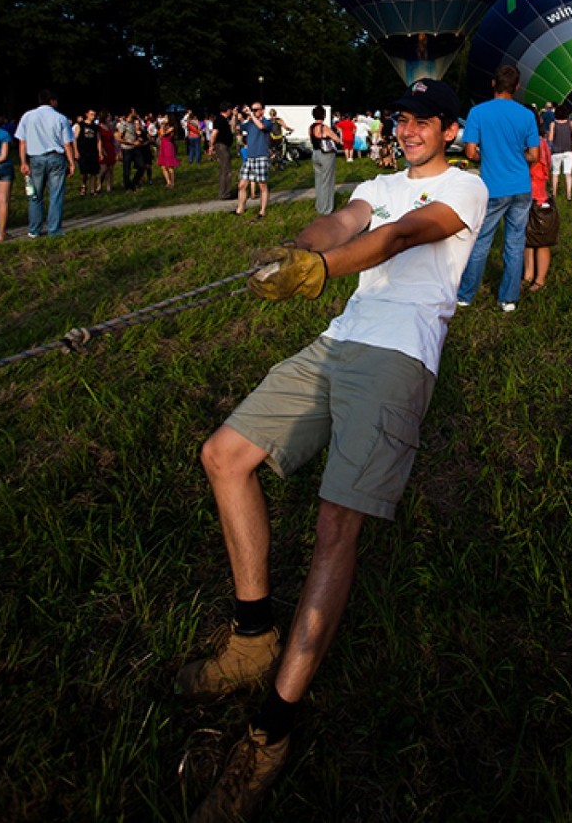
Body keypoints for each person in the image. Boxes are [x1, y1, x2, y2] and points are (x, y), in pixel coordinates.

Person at [179, 79, 486, 823]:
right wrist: (294, 252)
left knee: (333, 528)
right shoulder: (376, 181)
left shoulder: (465, 187)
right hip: (338, 340)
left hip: (397, 356)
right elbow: (340, 222)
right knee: (223, 453)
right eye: (401, 118)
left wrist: (324, 270)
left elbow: (404, 235)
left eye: (422, 119)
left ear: (448, 126)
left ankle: (272, 731)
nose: (408, 129)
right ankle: (253, 634)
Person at [456, 64, 539, 312]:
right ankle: (508, 298)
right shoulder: (526, 115)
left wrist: (490, 155)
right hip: (522, 187)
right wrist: (515, 155)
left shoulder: (478, 112)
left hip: (493, 187)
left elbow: (470, 152)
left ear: (493, 84)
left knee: (481, 241)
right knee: (515, 243)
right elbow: (534, 155)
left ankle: (466, 294)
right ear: (517, 87)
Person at [15, 90, 77, 239]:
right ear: (52, 101)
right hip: (56, 157)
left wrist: (23, 162)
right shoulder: (60, 118)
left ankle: (34, 229)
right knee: (56, 194)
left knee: (35, 195)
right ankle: (54, 229)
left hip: (35, 158)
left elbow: (22, 141)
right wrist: (72, 162)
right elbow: (67, 143)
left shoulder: (27, 116)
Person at [523, 114, 556, 290]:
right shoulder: (539, 141)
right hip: (528, 193)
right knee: (527, 237)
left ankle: (539, 279)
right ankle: (528, 274)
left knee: (541, 239)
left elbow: (538, 163)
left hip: (537, 195)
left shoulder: (535, 143)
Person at [233, 102, 272, 218]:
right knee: (242, 185)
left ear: (262, 111)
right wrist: (235, 116)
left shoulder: (267, 122)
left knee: (262, 185)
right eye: (253, 109)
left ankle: (262, 211)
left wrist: (251, 114)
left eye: (256, 110)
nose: (253, 111)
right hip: (250, 158)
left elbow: (261, 127)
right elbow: (236, 128)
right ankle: (240, 209)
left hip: (261, 156)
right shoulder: (249, 123)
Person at [309, 104, 341, 215]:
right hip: (326, 155)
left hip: (315, 154)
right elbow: (337, 140)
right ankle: (326, 209)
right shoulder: (324, 127)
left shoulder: (311, 127)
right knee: (327, 181)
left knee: (318, 181)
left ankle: (319, 205)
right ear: (324, 115)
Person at [548, 104, 572, 201]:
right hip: (568, 151)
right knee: (568, 173)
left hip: (556, 151)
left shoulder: (553, 124)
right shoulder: (570, 123)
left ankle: (554, 194)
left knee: (555, 173)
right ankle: (569, 194)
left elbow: (550, 138)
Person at [208, 102, 235, 200]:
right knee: (225, 170)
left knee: (225, 169)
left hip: (224, 145)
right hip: (221, 146)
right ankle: (225, 193)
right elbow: (214, 133)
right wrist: (211, 146)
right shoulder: (220, 120)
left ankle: (225, 191)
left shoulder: (223, 119)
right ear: (227, 110)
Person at [0, 115, 15, 242]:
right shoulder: (3, 134)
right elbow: (4, 155)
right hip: (3, 167)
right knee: (4, 201)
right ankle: (2, 233)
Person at [75, 109, 102, 196]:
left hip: (93, 151)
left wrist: (100, 152)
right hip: (83, 151)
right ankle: (83, 186)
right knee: (84, 172)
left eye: (94, 114)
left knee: (94, 172)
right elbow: (75, 139)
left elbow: (98, 140)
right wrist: (76, 151)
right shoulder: (80, 125)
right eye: (91, 114)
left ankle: (92, 190)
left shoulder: (95, 127)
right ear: (87, 114)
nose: (93, 116)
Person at [157, 114, 179, 188]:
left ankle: (172, 183)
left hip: (168, 146)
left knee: (170, 166)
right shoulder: (163, 126)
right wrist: (162, 126)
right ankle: (168, 182)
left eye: (166, 117)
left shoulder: (172, 127)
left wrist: (162, 126)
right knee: (163, 166)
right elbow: (160, 134)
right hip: (162, 146)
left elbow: (163, 134)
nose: (164, 118)